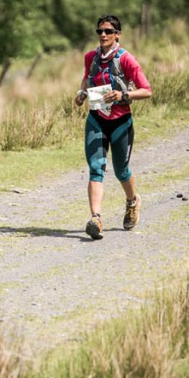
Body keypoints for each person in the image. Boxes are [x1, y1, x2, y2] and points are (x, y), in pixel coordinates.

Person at [73, 14, 152, 240]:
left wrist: (123, 94)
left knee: (121, 171)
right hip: (96, 119)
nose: (103, 35)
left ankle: (132, 201)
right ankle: (96, 219)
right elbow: (87, 78)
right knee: (96, 168)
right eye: (100, 32)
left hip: (120, 122)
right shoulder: (91, 57)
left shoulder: (127, 60)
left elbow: (146, 90)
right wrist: (81, 94)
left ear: (118, 34)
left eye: (108, 31)